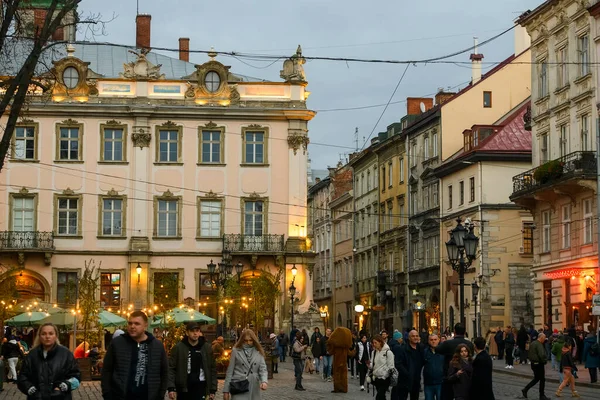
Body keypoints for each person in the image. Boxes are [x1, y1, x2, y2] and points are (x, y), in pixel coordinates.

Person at [101, 311, 168, 400]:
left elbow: (164, 372)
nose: (132, 326)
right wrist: (107, 394)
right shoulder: (117, 343)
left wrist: (160, 395)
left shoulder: (157, 345)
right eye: (130, 323)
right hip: (121, 396)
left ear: (145, 326)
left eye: (137, 324)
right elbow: (107, 370)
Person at [17, 323, 80, 400]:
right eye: (44, 334)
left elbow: (76, 376)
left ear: (56, 335)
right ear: (39, 336)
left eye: (51, 333)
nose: (47, 337)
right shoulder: (32, 355)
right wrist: (31, 390)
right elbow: (22, 377)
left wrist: (62, 387)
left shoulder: (66, 354)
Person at [167, 322, 216, 400]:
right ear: (187, 333)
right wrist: (171, 388)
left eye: (197, 331)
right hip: (184, 388)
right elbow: (171, 368)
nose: (195, 333)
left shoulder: (206, 348)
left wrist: (213, 389)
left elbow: (212, 368)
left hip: (201, 386)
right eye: (192, 331)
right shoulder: (179, 348)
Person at [223, 329, 268, 399]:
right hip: (239, 385)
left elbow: (263, 369)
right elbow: (229, 371)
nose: (248, 343)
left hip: (254, 387)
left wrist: (264, 381)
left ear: (254, 340)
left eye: (250, 340)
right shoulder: (236, 350)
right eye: (246, 340)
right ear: (242, 340)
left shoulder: (258, 351)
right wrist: (226, 391)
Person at [436, 323, 474, 400]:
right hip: (465, 378)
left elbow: (437, 349)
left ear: (454, 332)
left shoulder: (448, 343)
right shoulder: (469, 344)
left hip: (450, 375)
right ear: (464, 332)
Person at [326, 326, 354, 393]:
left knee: (337, 373)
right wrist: (354, 351)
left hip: (337, 361)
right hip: (344, 361)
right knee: (343, 374)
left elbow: (330, 351)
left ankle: (337, 388)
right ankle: (344, 388)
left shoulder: (336, 346)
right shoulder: (345, 347)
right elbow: (349, 353)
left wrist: (328, 350)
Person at [522, 333, 549, 400]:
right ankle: (541, 395)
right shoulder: (539, 344)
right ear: (541, 338)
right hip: (539, 364)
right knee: (542, 379)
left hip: (533, 363)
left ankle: (525, 389)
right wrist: (545, 360)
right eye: (544, 338)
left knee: (536, 378)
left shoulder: (533, 343)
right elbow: (542, 354)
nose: (544, 340)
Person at [369, 334, 394, 400]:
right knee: (382, 397)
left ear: (380, 342)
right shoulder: (373, 352)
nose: (374, 344)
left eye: (375, 343)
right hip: (376, 378)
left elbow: (391, 366)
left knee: (379, 397)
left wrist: (384, 376)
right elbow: (372, 363)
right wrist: (370, 365)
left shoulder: (388, 352)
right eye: (373, 343)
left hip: (385, 379)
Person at [423, 334, 444, 400]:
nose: (433, 341)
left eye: (435, 339)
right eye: (431, 340)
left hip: (441, 382)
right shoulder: (425, 352)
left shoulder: (443, 352)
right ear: (428, 341)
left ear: (438, 340)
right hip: (428, 383)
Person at [390, 331, 410, 400]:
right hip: (398, 370)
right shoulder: (398, 347)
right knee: (398, 388)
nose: (402, 339)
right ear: (398, 339)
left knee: (395, 388)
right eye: (401, 338)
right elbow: (398, 360)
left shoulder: (391, 345)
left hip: (393, 369)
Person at [406, 329, 425, 400]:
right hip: (406, 377)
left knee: (415, 397)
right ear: (409, 338)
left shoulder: (421, 348)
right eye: (413, 336)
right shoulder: (404, 349)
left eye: (417, 336)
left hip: (417, 378)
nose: (415, 337)